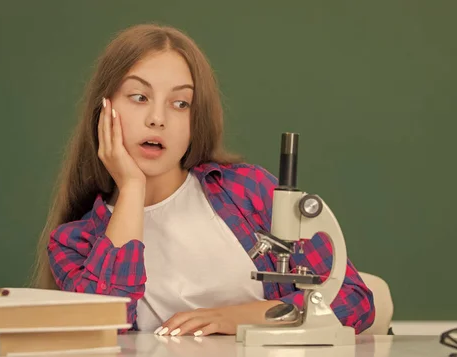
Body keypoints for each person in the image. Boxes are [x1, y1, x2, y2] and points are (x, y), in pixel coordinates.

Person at [32, 23, 375, 337]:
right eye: (139, 97)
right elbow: (103, 327)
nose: (157, 119)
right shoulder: (73, 243)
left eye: (180, 103)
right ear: (104, 110)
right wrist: (132, 188)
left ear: (196, 120)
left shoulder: (247, 191)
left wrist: (241, 317)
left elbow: (354, 300)